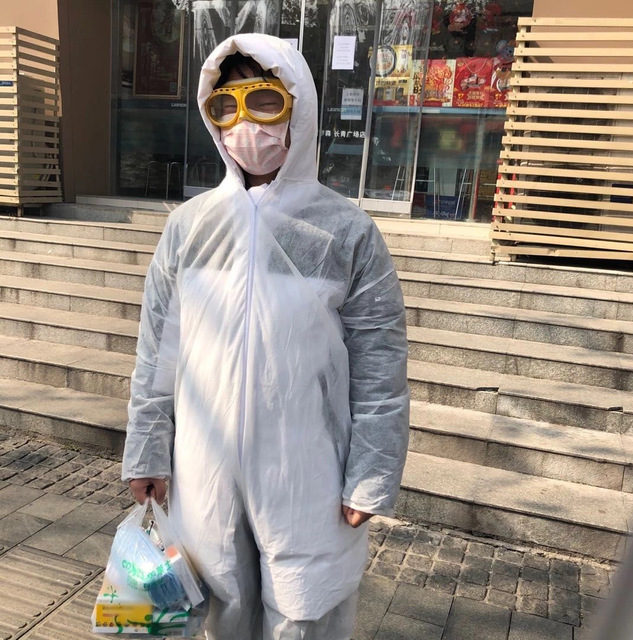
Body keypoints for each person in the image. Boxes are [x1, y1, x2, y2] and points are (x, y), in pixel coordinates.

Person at [121, 33, 409, 640]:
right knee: (220, 601)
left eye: (265, 101)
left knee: (304, 611)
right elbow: (157, 354)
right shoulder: (189, 228)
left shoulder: (347, 232)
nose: (245, 125)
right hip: (203, 465)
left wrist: (371, 472)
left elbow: (379, 364)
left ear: (298, 108)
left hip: (309, 471)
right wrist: (147, 449)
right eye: (225, 106)